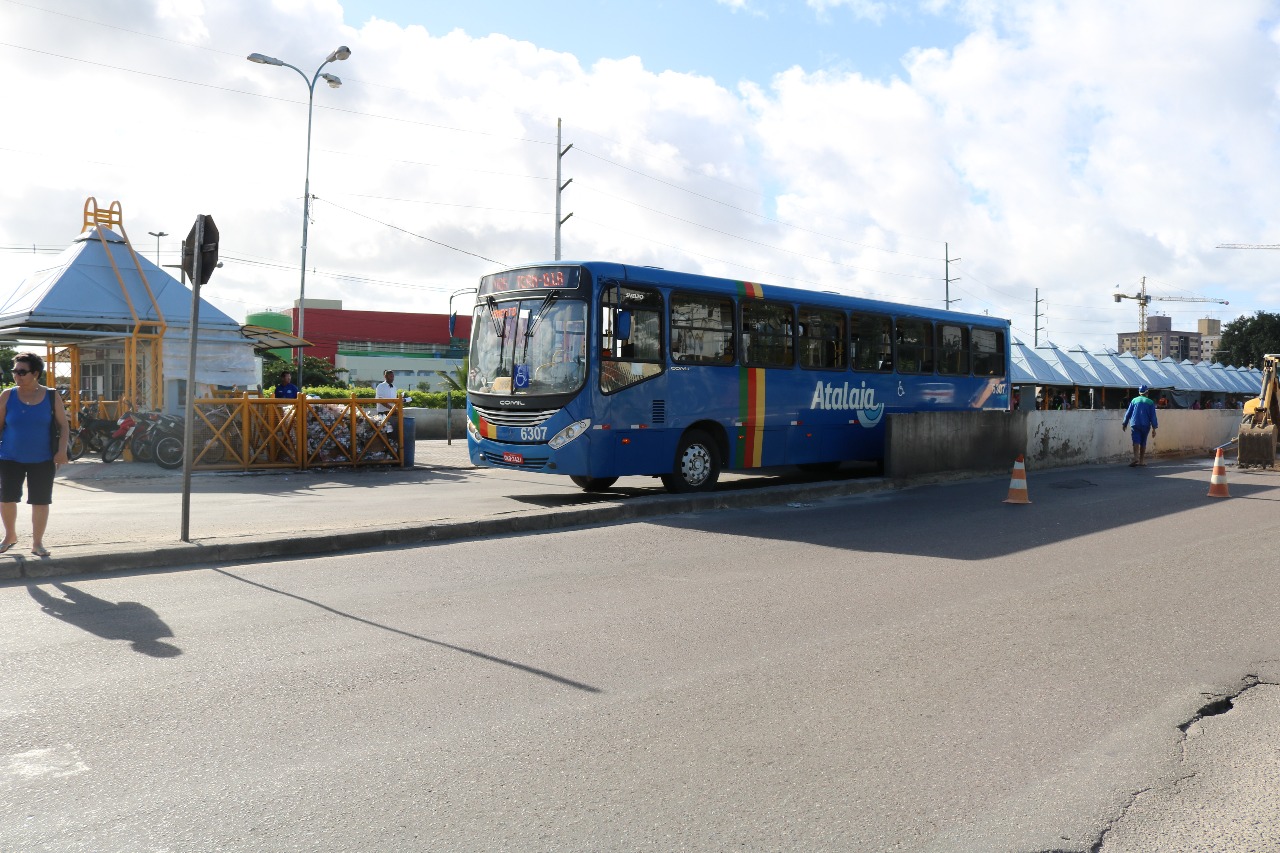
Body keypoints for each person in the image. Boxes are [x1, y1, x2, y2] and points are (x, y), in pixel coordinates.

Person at [0, 352, 70, 556]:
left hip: (43, 458)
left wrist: (61, 451)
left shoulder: (50, 395)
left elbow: (63, 426)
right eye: (15, 371)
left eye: (22, 372)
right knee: (6, 498)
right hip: (9, 457)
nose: (17, 376)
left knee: (40, 500)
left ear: (36, 373)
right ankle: (10, 535)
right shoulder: (7, 396)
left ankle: (37, 543)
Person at [1122, 384, 1158, 468]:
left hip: (1135, 423)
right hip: (1145, 425)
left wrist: (1124, 423)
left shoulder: (1134, 400)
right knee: (1143, 442)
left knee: (1136, 440)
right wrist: (1154, 428)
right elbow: (1153, 416)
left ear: (1139, 392)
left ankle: (1135, 458)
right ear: (1147, 392)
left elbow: (1128, 413)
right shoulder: (1150, 402)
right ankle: (1141, 461)